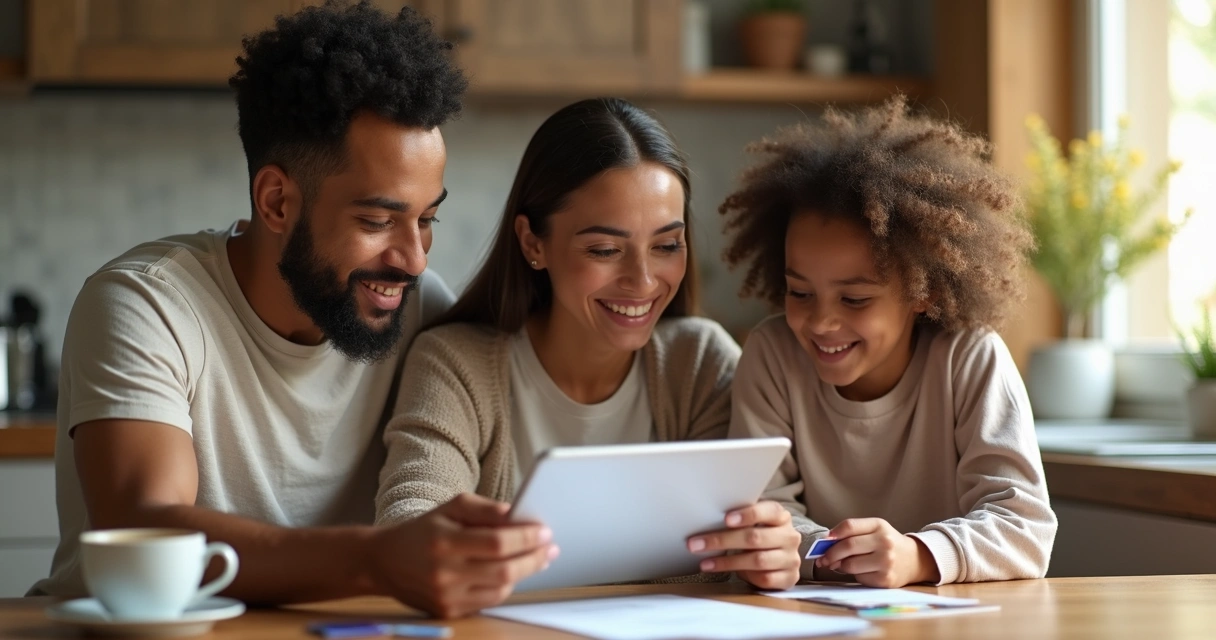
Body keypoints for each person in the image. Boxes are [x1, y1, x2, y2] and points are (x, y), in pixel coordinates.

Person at [31, 1, 555, 618]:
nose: (413, 259)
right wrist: (375, 557)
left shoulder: (420, 313)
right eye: (377, 220)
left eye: (427, 218)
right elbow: (146, 526)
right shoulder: (146, 305)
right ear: (277, 201)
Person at [375, 97, 803, 592]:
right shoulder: (455, 364)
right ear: (533, 243)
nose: (642, 281)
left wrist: (767, 548)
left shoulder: (700, 361)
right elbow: (409, 519)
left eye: (666, 246)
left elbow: (743, 534)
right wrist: (436, 550)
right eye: (604, 250)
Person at [721, 96, 1057, 588]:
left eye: (855, 299)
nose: (821, 322)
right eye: (800, 292)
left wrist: (917, 554)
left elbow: (1024, 526)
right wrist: (820, 553)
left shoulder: (968, 357)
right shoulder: (772, 355)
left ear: (921, 292)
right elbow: (766, 510)